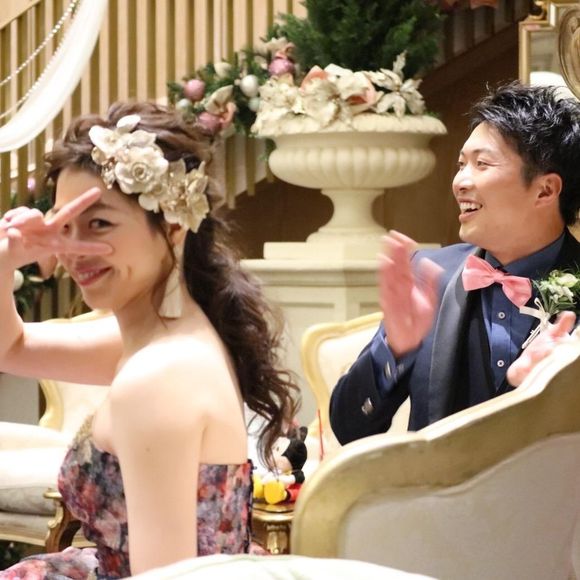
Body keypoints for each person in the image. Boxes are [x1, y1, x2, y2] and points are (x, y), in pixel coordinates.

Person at [0, 102, 299, 578]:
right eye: (63, 226)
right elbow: (11, 349)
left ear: (174, 224)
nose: (74, 250)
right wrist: (6, 260)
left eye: (99, 223)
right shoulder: (165, 334)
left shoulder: (158, 378)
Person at [330, 82, 580, 445]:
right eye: (461, 164)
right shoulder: (429, 276)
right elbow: (349, 429)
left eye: (482, 164)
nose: (460, 182)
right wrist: (394, 349)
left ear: (545, 190)